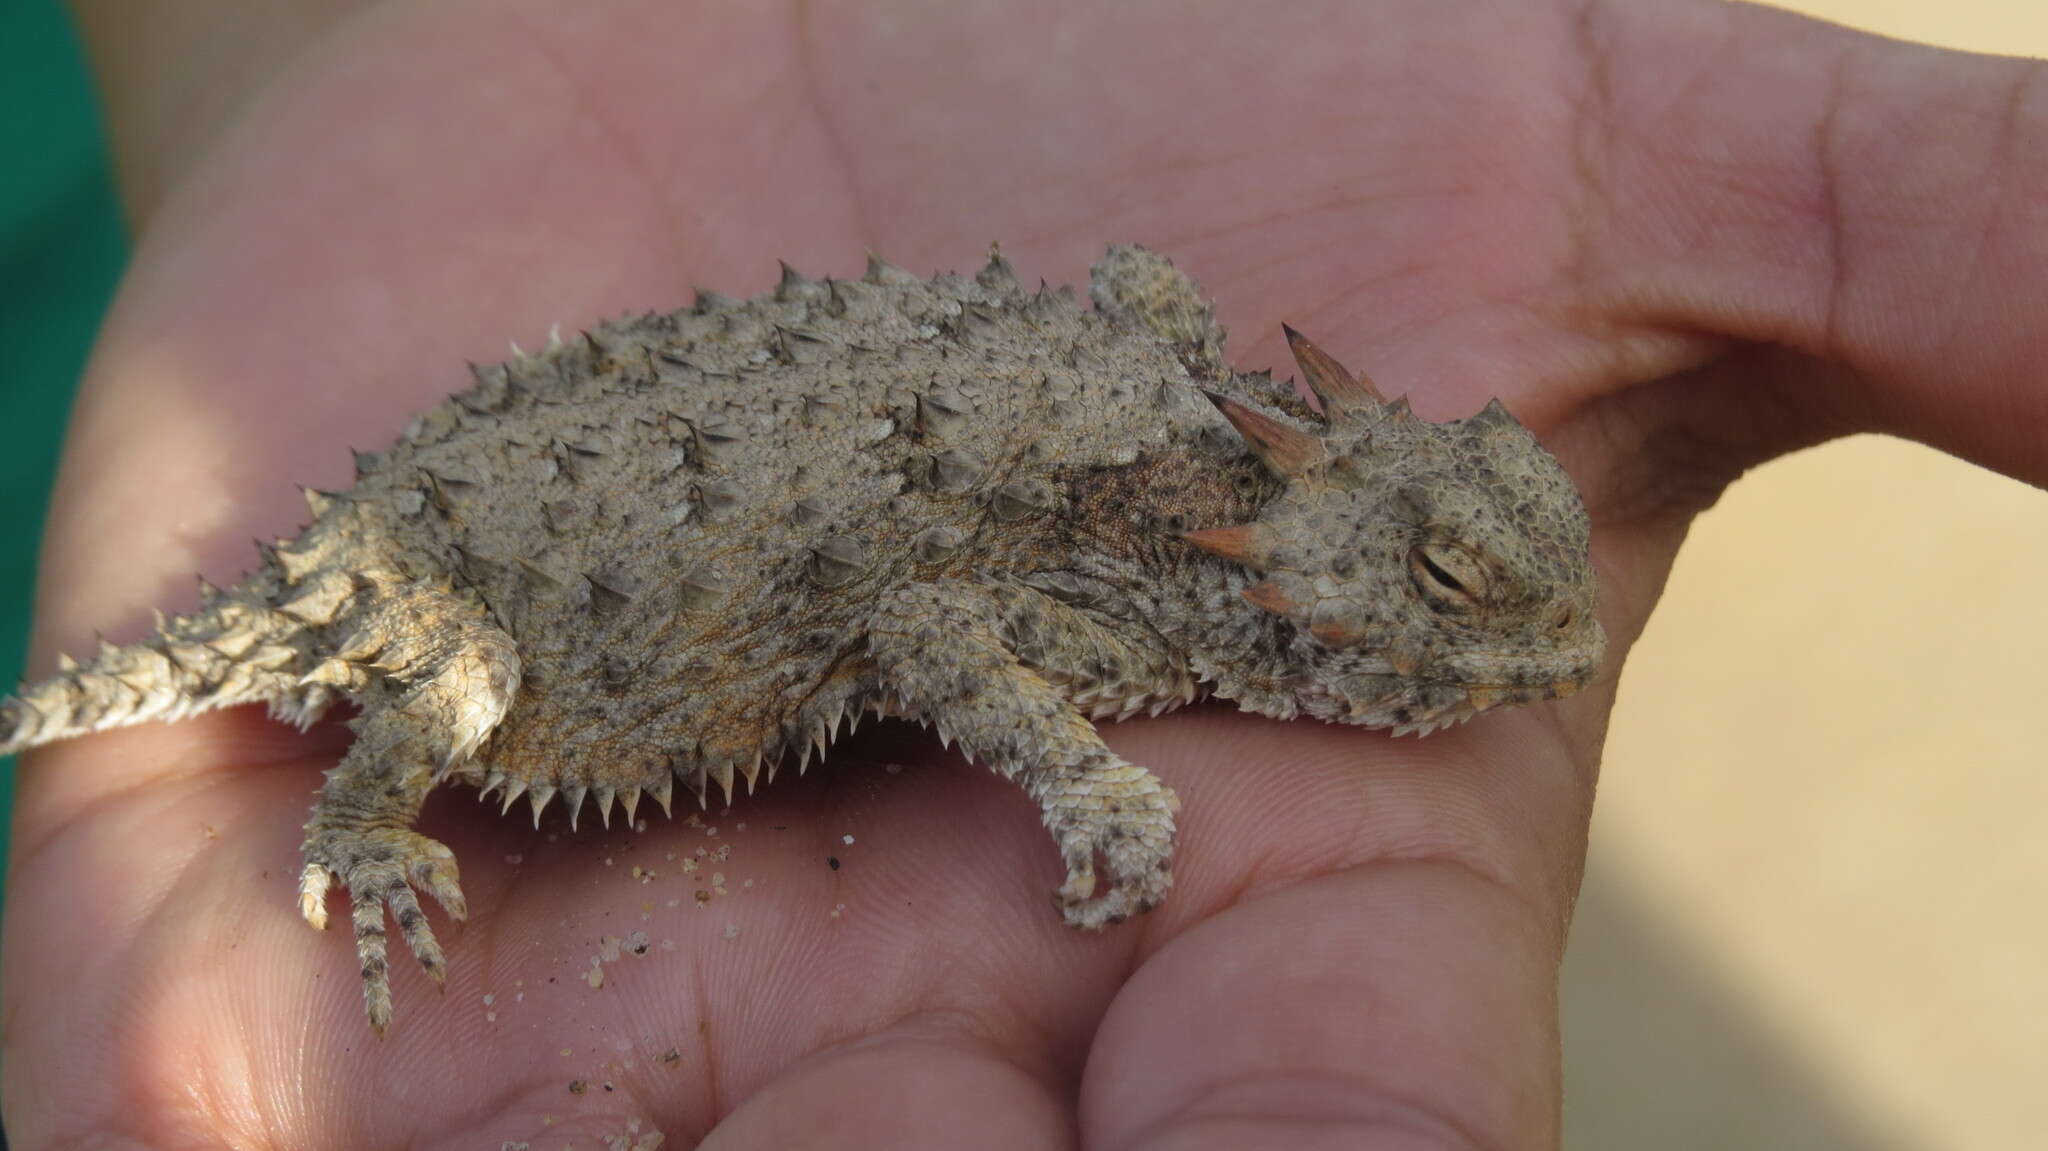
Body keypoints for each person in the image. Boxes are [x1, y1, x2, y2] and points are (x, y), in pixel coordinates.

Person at [5, 1, 2042, 1146]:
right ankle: (364, 820)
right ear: (1324, 560)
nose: (1523, 635)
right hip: (509, 572)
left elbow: (1133, 305)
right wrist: (1070, 770)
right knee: (433, 696)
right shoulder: (1137, 560)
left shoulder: (1197, 487)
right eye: (1442, 584)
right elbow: (915, 617)